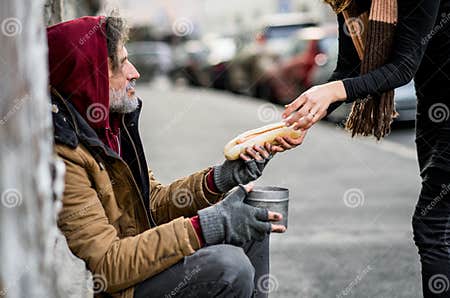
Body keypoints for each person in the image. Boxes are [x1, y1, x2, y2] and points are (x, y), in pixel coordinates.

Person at [47, 16, 306, 298]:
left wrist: (220, 178)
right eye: (120, 64)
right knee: (228, 268)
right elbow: (108, 264)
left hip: (139, 263)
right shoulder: (65, 153)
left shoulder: (109, 127)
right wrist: (208, 225)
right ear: (89, 76)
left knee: (252, 221)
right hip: (118, 286)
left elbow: (152, 203)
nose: (134, 72)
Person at [282, 0, 450, 297]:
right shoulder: (351, 3)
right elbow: (349, 69)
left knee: (432, 226)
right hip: (434, 109)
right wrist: (307, 115)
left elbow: (402, 67)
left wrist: (332, 91)